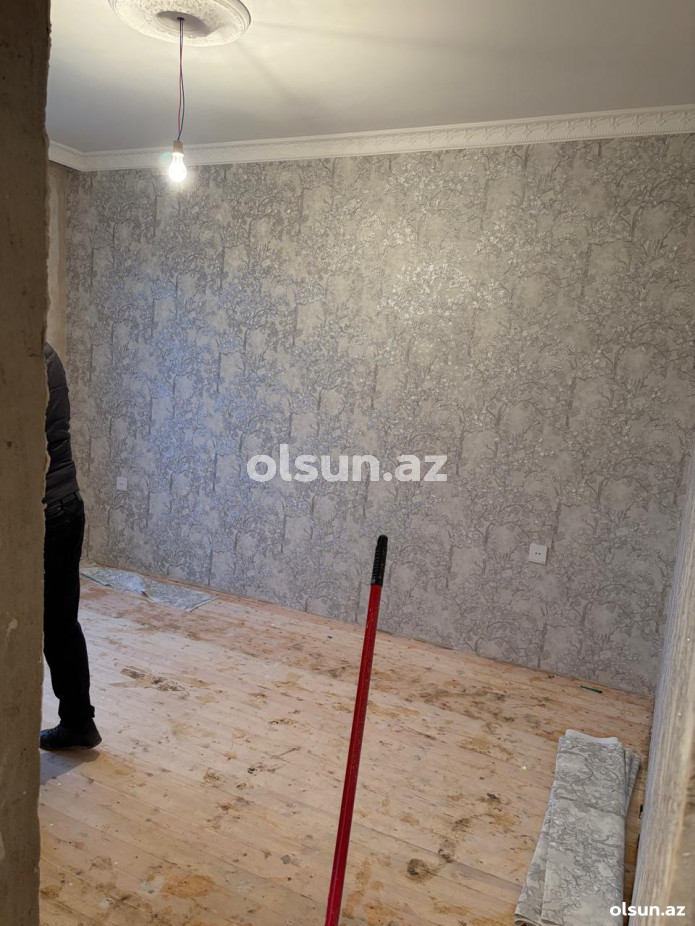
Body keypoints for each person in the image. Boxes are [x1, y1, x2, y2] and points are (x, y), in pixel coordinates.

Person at [40, 342, 101, 750]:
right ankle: (79, 722)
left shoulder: (21, 354)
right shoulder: (43, 351)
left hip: (43, 512)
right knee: (61, 624)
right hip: (66, 504)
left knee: (50, 624)